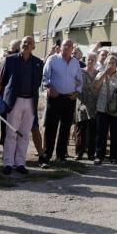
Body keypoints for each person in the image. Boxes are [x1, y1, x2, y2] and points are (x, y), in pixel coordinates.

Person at [0, 36, 43, 176]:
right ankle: (8, 163)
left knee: (24, 134)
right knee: (11, 133)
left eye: (30, 43)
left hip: (30, 101)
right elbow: (2, 81)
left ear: (34, 47)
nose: (27, 44)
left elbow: (38, 82)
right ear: (21, 44)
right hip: (14, 101)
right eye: (25, 42)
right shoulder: (10, 60)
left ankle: (20, 163)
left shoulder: (38, 63)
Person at [41, 39, 82, 167]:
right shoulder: (53, 59)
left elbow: (79, 80)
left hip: (69, 98)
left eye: (70, 46)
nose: (68, 47)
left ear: (72, 48)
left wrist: (77, 92)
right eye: (65, 45)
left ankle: (61, 155)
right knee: (51, 126)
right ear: (61, 47)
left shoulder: (75, 63)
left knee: (65, 127)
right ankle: (47, 154)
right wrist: (49, 87)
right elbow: (45, 77)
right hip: (55, 97)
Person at [92, 55, 117, 165]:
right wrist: (104, 73)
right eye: (109, 63)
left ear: (116, 65)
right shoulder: (101, 74)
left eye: (113, 63)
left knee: (116, 134)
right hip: (102, 108)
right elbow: (96, 86)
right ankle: (99, 156)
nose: (111, 65)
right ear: (105, 64)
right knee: (101, 134)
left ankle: (114, 157)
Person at [75, 54, 99, 160]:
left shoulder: (98, 74)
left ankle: (91, 153)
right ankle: (79, 152)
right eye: (88, 59)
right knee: (81, 129)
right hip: (82, 103)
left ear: (96, 61)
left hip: (94, 105)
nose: (90, 61)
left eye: (92, 60)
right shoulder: (80, 71)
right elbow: (76, 85)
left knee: (93, 130)